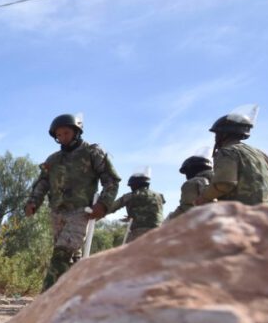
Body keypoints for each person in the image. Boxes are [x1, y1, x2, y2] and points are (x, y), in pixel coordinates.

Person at [25, 113, 120, 291]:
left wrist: (103, 204)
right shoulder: (52, 160)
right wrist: (33, 202)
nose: (62, 138)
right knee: (71, 257)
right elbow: (42, 183)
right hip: (56, 212)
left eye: (66, 133)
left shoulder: (92, 152)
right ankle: (77, 294)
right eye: (58, 135)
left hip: (80, 211)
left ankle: (46, 299)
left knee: (61, 253)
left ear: (77, 132)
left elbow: (111, 180)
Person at [195, 105, 268, 206]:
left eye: (217, 134)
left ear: (223, 134)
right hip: (263, 213)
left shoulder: (227, 152)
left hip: (236, 214)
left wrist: (205, 197)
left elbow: (224, 184)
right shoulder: (262, 155)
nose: (215, 138)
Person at [108, 172, 165, 243]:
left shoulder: (129, 196)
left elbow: (110, 208)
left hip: (138, 234)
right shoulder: (159, 196)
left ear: (134, 186)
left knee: (129, 252)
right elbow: (153, 210)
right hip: (159, 233)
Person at [166, 155, 213, 219]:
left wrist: (169, 219)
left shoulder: (192, 182)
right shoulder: (217, 180)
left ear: (191, 169)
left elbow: (186, 208)